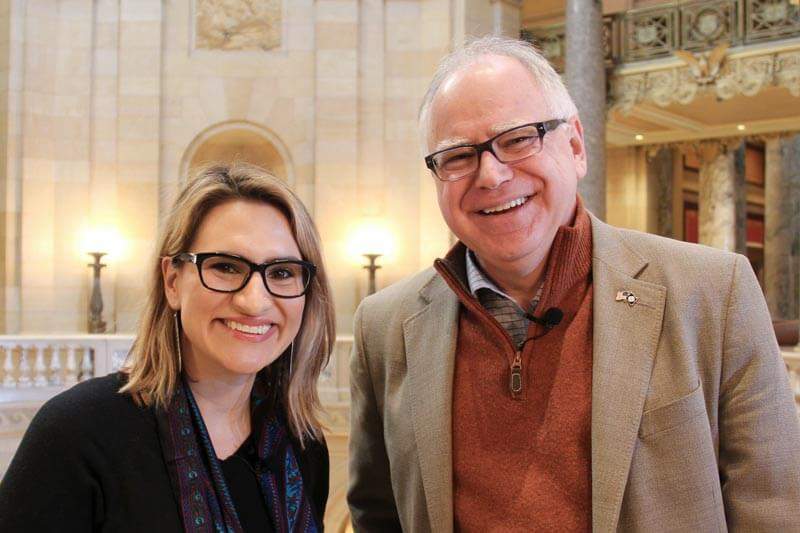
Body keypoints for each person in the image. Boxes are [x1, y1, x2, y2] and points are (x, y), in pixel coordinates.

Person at [347, 36, 800, 532]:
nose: (492, 175)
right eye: (457, 156)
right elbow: (378, 512)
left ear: (576, 145)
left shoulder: (714, 292)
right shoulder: (383, 326)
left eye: (518, 139)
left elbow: (774, 506)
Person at [0, 163, 335, 532]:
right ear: (173, 281)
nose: (254, 301)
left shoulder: (303, 444)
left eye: (282, 272)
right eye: (225, 267)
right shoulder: (77, 433)